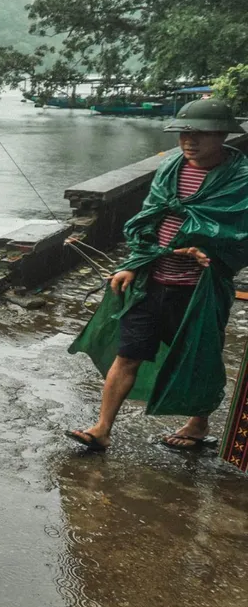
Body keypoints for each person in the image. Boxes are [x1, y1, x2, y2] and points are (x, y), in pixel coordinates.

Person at [68, 98, 248, 452]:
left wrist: (204, 246)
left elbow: (239, 235)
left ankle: (198, 425)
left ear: (223, 134)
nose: (188, 141)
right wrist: (133, 263)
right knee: (128, 353)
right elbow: (149, 218)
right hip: (152, 280)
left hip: (199, 289)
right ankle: (102, 429)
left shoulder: (240, 180)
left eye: (199, 134)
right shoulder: (171, 169)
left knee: (198, 357)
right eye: (183, 133)